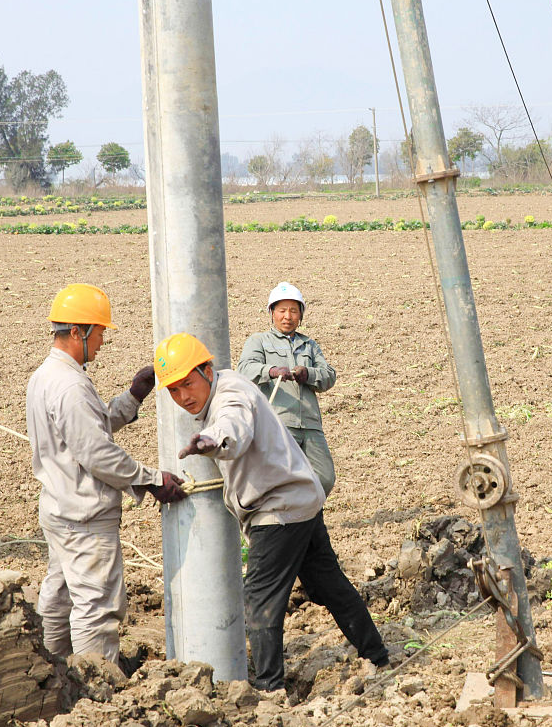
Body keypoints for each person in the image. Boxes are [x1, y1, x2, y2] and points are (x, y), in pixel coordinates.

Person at [155, 333, 388, 691]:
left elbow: (233, 428)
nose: (183, 397)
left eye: (187, 383)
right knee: (330, 585)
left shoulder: (230, 394)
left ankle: (269, 689)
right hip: (300, 500)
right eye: (173, 390)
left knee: (261, 600)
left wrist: (212, 441)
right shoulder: (229, 385)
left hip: (278, 511)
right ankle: (377, 656)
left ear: (207, 369)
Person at [26, 283, 186, 667]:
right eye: (99, 333)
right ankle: (97, 689)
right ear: (79, 332)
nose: (101, 342)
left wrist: (133, 396)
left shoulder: (47, 376)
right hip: (84, 515)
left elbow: (88, 431)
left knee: (60, 596)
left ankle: (56, 673)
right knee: (96, 605)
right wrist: (150, 479)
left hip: (59, 510)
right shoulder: (69, 386)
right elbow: (96, 453)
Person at [237, 282, 338, 495]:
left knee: (325, 478)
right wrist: (271, 371)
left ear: (300, 315)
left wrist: (308, 374)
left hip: (310, 424)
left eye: (293, 311)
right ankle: (288, 522)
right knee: (281, 478)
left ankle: (306, 517)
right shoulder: (259, 341)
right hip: (277, 421)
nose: (287, 316)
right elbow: (245, 369)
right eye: (282, 310)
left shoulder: (309, 345)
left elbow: (329, 375)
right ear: (272, 313)